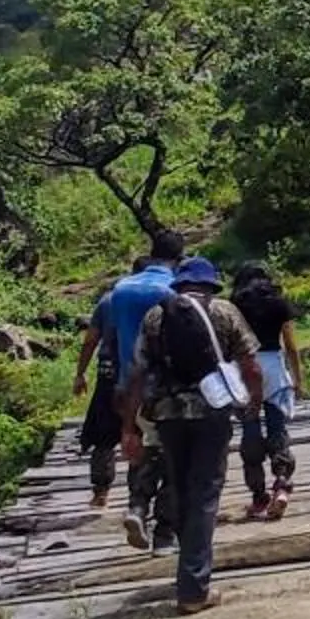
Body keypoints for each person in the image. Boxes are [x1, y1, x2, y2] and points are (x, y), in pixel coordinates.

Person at [127, 256, 259, 615]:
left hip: (168, 416)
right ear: (210, 285)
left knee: (182, 490)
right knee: (204, 494)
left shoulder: (156, 317)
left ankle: (189, 572)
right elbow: (250, 363)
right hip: (211, 413)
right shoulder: (224, 312)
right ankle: (193, 589)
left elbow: (137, 373)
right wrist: (253, 402)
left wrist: (128, 427)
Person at [73, 233, 184, 550]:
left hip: (127, 385)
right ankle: (164, 529)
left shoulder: (120, 291)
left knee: (137, 448)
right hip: (165, 387)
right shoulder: (173, 290)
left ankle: (137, 508)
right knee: (172, 454)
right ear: (179, 258)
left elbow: (104, 338)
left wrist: (81, 373)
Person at [230, 262, 305, 521]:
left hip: (245, 367)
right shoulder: (278, 303)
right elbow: (291, 345)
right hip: (274, 366)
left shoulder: (235, 305)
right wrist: (297, 378)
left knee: (250, 429)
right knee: (277, 427)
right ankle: (282, 483)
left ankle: (259, 495)